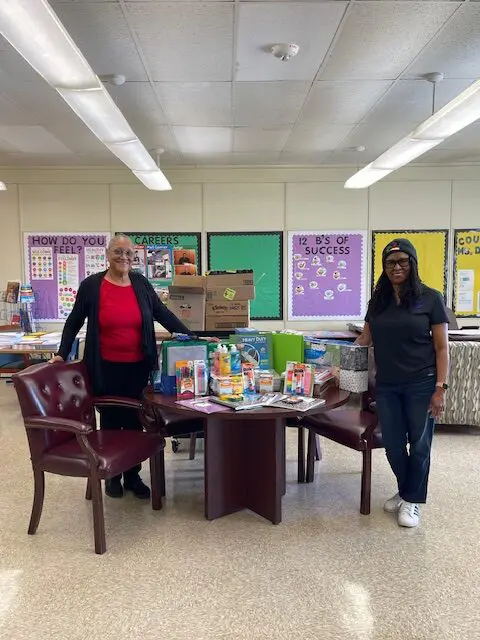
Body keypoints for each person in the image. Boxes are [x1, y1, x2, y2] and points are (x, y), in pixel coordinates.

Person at [51, 234, 193, 501]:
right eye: (118, 251)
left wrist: (190, 336)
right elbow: (73, 322)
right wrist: (61, 353)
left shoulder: (140, 282)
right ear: (108, 254)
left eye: (129, 253)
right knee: (111, 419)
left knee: (136, 420)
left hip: (138, 366)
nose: (124, 257)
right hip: (105, 366)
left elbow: (162, 313)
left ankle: (132, 474)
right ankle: (112, 474)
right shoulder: (92, 286)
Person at [356, 238, 449, 528]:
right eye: (390, 263)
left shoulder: (431, 298)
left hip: (422, 383)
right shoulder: (378, 301)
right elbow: (365, 339)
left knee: (419, 444)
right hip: (388, 385)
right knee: (394, 445)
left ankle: (412, 501)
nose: (396, 267)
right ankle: (407, 489)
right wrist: (325, 355)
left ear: (412, 264)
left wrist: (440, 388)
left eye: (402, 261)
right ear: (383, 267)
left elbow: (442, 347)